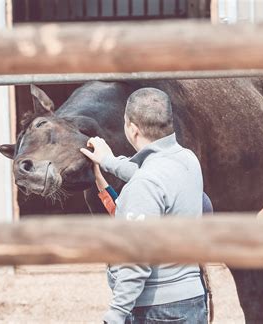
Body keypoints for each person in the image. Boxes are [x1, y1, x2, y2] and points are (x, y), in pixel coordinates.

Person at [81, 88, 208, 324]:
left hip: (157, 311)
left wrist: (116, 313)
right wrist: (108, 161)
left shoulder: (145, 184)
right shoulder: (187, 159)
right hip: (192, 301)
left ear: (132, 129)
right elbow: (153, 176)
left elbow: (135, 261)